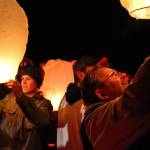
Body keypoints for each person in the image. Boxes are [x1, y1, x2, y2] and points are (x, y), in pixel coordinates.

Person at [80, 56, 150, 150]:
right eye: (114, 74)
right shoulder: (96, 122)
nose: (124, 74)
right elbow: (137, 97)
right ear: (102, 94)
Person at [57, 55, 109, 150]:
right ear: (80, 75)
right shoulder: (92, 99)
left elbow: (62, 135)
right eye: (95, 70)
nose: (100, 74)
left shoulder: (63, 100)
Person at [0, 65, 53, 150]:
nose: (24, 82)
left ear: (37, 83)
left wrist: (21, 98)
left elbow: (42, 120)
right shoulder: (9, 98)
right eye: (22, 79)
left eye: (28, 79)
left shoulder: (43, 103)